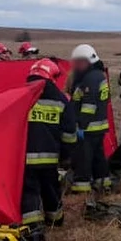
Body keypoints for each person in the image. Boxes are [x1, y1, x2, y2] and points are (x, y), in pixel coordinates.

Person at [21, 58, 77, 230]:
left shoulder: (21, 95)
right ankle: (55, 220)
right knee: (51, 189)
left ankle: (32, 227)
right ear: (51, 76)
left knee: (29, 191)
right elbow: (69, 134)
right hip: (50, 158)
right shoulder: (60, 100)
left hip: (25, 158)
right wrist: (66, 157)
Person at [68, 44, 112, 193]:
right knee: (98, 156)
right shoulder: (98, 75)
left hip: (88, 127)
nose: (76, 66)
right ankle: (103, 182)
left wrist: (80, 125)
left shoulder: (91, 78)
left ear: (87, 61)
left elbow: (89, 106)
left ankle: (82, 188)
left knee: (84, 159)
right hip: (98, 127)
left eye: (79, 62)